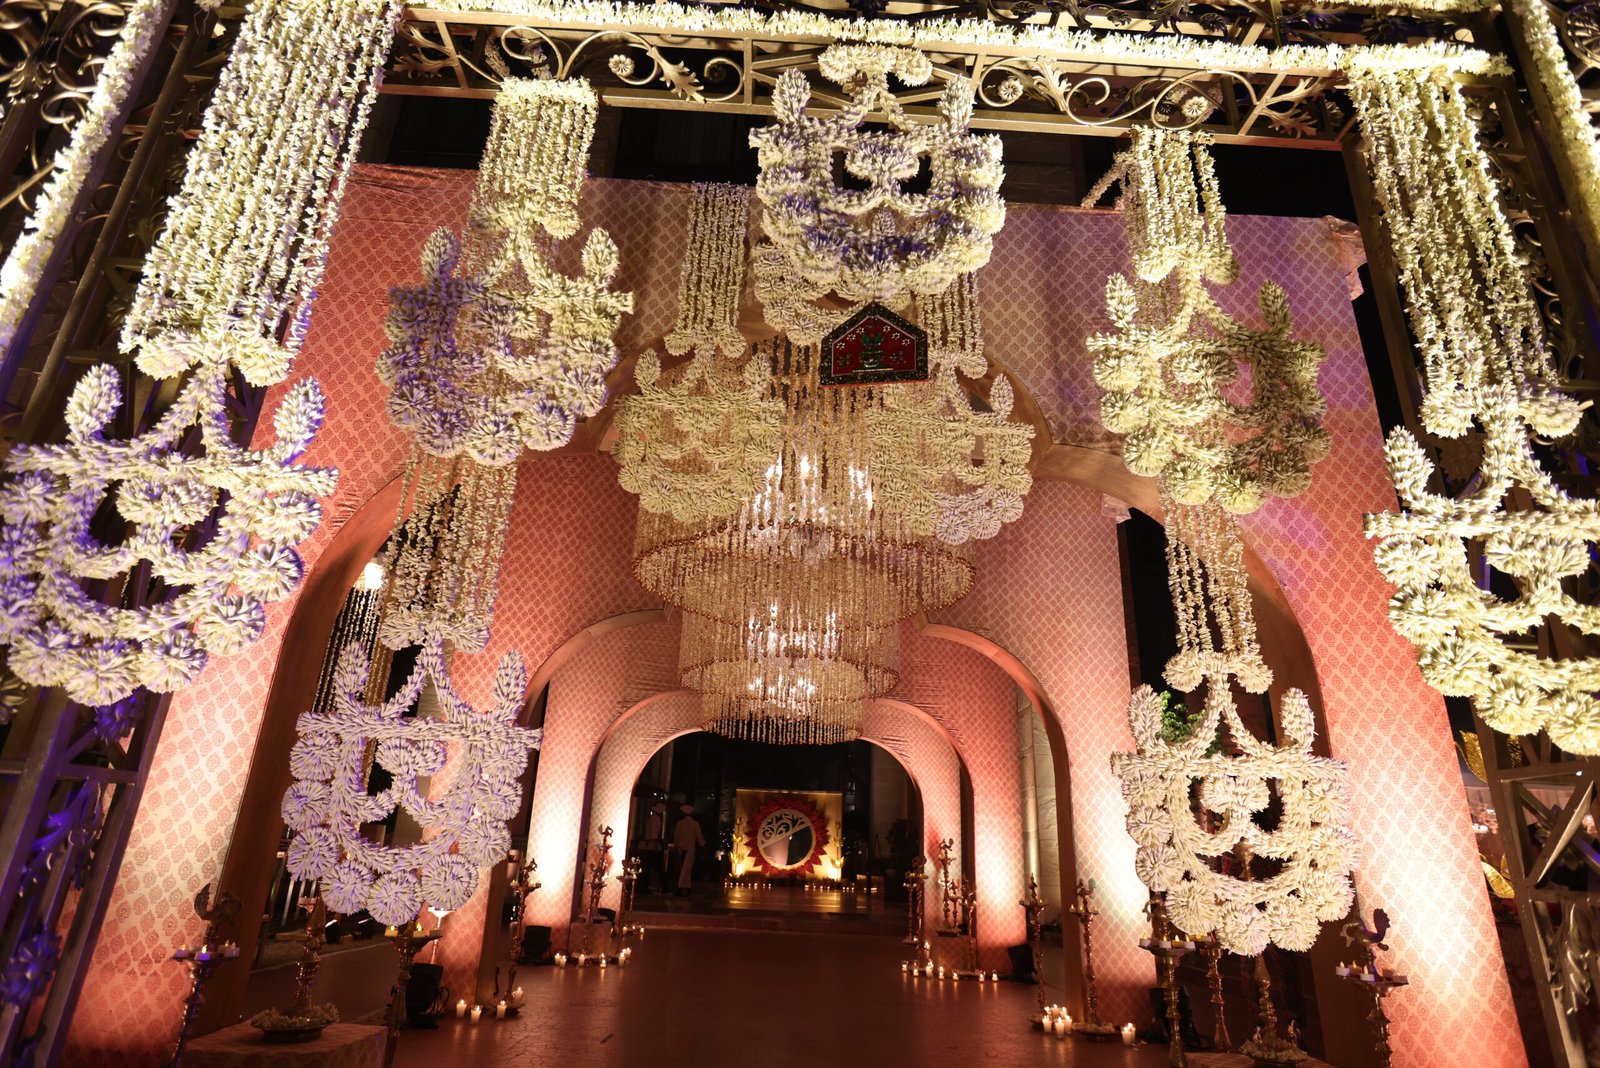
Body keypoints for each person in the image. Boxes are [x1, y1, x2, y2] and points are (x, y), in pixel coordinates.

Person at [672, 803, 705, 896]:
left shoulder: (679, 823)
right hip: (690, 849)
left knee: (681, 868)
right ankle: (684, 887)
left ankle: (682, 887)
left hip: (680, 848)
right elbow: (699, 836)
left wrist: (675, 846)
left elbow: (676, 836)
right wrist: (702, 844)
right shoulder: (695, 824)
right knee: (687, 869)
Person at [637, 800, 667, 895]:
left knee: (647, 869)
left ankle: (644, 888)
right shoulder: (657, 820)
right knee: (658, 868)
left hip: (648, 846)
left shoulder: (651, 818)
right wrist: (657, 846)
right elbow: (654, 835)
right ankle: (665, 887)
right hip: (652, 847)